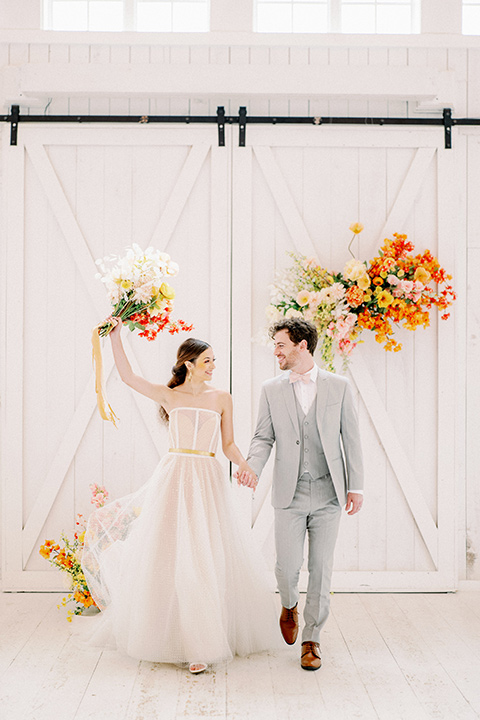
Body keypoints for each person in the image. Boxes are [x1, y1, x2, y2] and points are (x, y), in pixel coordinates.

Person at [80, 318, 278, 674]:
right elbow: (127, 378)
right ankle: (167, 633)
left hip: (206, 476)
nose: (214, 367)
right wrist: (116, 337)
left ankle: (203, 644)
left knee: (204, 553)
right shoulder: (169, 395)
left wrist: (246, 467)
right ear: (188, 364)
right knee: (169, 552)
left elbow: (229, 443)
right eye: (207, 361)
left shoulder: (222, 398)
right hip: (174, 476)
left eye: (215, 361)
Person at [241, 318, 364, 671]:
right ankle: (289, 604)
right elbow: (263, 437)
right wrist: (252, 468)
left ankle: (312, 640)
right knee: (287, 567)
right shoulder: (271, 389)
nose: (276, 351)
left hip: (329, 493)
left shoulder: (339, 386)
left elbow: (351, 439)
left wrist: (355, 486)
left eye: (281, 345)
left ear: (302, 346)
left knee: (322, 568)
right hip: (289, 493)